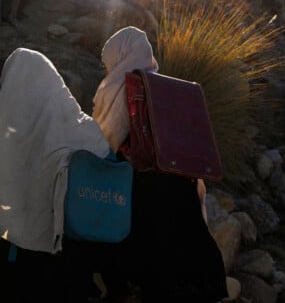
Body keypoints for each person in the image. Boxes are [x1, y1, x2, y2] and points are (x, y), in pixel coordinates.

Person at [91, 26, 228, 302]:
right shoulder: (170, 89)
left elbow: (104, 141)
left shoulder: (123, 88)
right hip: (181, 190)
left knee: (150, 267)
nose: (108, 70)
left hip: (144, 194)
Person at [0, 48, 112, 302]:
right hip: (74, 267)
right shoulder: (88, 133)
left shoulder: (10, 139)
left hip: (20, 263)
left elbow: (2, 198)